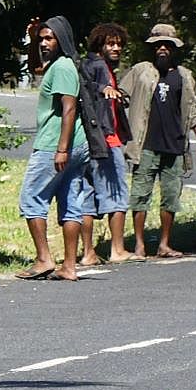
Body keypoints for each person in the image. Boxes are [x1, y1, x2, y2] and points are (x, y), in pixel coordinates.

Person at [123, 23, 196, 259]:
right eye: (158, 45)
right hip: (145, 145)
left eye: (167, 45)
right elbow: (121, 97)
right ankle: (139, 244)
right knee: (140, 195)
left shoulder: (184, 75)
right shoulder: (141, 71)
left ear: (174, 48)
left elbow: (194, 110)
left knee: (171, 197)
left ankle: (164, 243)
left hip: (174, 146)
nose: (162, 49)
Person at [17, 15, 90, 280]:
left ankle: (44, 259)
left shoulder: (62, 68)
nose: (44, 43)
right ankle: (69, 266)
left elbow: (69, 108)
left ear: (62, 38)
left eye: (49, 38)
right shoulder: (62, 64)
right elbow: (36, 67)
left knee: (31, 199)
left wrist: (61, 149)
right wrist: (31, 39)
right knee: (71, 203)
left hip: (54, 145)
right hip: (77, 145)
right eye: (42, 39)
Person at [79, 22, 133, 266]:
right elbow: (100, 88)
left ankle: (88, 252)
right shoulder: (101, 67)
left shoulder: (84, 64)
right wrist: (107, 88)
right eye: (111, 43)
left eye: (119, 44)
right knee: (118, 195)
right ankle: (117, 249)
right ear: (99, 44)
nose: (116, 48)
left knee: (87, 197)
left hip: (87, 140)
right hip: (107, 140)